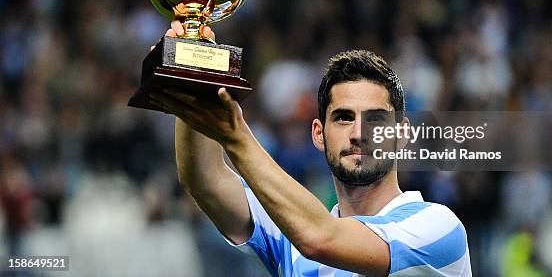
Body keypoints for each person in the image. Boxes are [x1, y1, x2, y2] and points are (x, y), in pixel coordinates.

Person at [149, 21, 472, 277]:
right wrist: (193, 81)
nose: (359, 133)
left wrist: (237, 138)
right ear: (319, 134)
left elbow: (321, 238)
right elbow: (206, 180)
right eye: (343, 118)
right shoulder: (293, 231)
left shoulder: (436, 228)